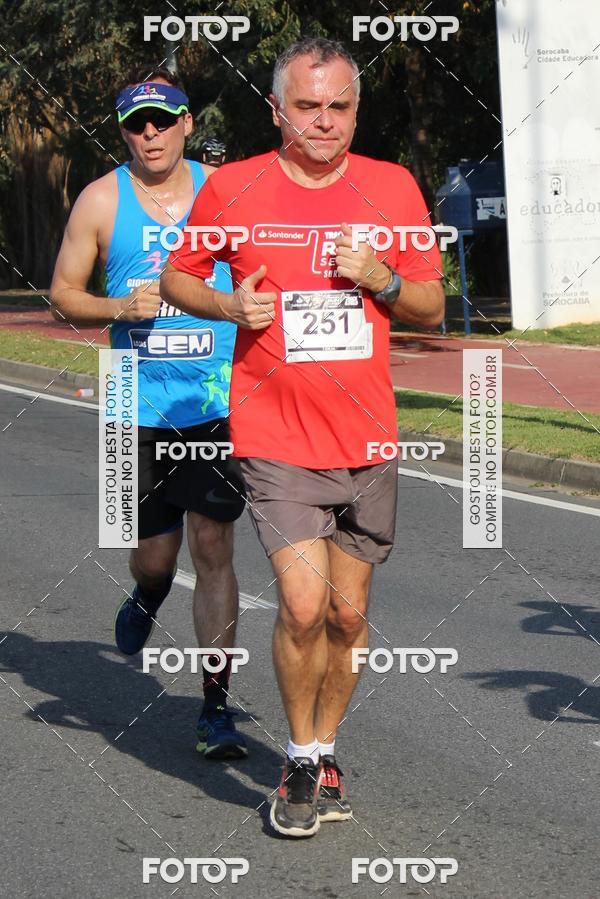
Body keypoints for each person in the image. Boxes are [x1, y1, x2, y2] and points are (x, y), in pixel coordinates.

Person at [160, 37, 445, 835]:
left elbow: (429, 309)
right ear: (276, 108)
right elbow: (180, 275)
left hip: (366, 440)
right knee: (303, 601)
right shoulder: (233, 185)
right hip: (275, 435)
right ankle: (295, 757)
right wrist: (227, 307)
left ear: (356, 109)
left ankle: (322, 749)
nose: (325, 122)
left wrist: (381, 279)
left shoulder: (391, 187)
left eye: (341, 106)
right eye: (308, 106)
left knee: (349, 618)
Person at [49, 66, 248, 761]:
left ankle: (214, 710)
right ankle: (145, 597)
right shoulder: (101, 201)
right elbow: (63, 294)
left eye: (164, 119)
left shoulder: (226, 192)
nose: (151, 133)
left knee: (214, 546)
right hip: (132, 403)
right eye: (137, 123)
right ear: (124, 132)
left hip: (217, 401)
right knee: (155, 558)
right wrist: (116, 309)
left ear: (187, 122)